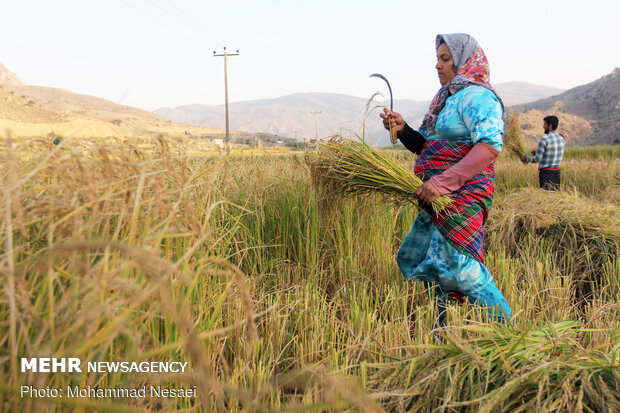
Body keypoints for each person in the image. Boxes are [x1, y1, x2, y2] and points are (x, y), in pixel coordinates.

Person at [379, 33, 511, 326]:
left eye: (445, 59)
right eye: (437, 59)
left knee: (462, 268)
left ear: (464, 61)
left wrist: (442, 184)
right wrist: (403, 130)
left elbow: (489, 148)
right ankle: (442, 341)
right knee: (435, 268)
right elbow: (428, 147)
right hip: (437, 197)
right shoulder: (445, 99)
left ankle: (509, 333)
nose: (438, 65)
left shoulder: (479, 97)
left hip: (462, 195)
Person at [520, 116, 565, 190]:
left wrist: (526, 158)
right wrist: (538, 152)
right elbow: (554, 151)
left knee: (546, 197)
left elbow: (537, 159)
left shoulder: (544, 140)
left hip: (546, 173)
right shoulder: (562, 139)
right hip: (557, 172)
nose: (543, 127)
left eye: (545, 124)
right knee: (555, 197)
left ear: (550, 126)